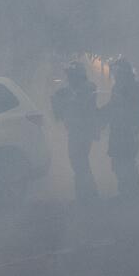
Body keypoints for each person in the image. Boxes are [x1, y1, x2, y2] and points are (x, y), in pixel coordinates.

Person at [51, 61, 101, 204]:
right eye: (68, 75)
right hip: (75, 130)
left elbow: (80, 104)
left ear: (78, 75)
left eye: (71, 75)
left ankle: (87, 197)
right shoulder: (74, 89)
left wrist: (66, 99)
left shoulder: (87, 88)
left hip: (82, 131)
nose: (69, 78)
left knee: (79, 162)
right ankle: (86, 195)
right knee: (79, 162)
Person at [102, 58, 139, 201]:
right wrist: (100, 115)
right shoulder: (116, 87)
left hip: (130, 131)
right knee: (117, 162)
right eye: (115, 72)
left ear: (125, 72)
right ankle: (124, 192)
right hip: (117, 130)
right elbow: (112, 106)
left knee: (127, 161)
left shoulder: (137, 87)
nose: (115, 75)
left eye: (118, 72)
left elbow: (135, 109)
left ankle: (134, 193)